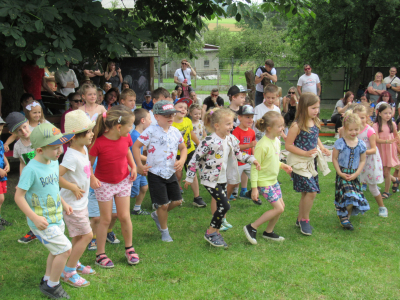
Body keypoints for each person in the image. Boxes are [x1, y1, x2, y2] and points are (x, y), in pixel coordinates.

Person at [14, 123, 74, 299]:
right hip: (41, 221)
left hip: (56, 217)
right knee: (65, 249)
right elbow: (18, 196)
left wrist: (63, 202)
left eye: (60, 147)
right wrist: (34, 217)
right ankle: (52, 286)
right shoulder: (31, 169)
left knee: (56, 250)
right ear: (39, 150)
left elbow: (54, 186)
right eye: (55, 148)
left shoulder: (52, 162)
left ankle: (47, 278)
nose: (60, 151)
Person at [184, 108, 260, 247]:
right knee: (225, 205)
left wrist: (251, 159)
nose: (231, 127)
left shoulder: (231, 139)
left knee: (222, 206)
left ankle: (215, 232)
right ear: (217, 125)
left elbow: (239, 154)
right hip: (210, 179)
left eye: (232, 123)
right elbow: (194, 159)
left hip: (223, 178)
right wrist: (189, 177)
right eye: (228, 124)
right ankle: (211, 232)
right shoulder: (208, 141)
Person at [89, 105, 139, 268]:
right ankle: (100, 254)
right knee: (106, 219)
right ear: (118, 127)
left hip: (123, 181)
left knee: (124, 216)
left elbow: (127, 152)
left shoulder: (126, 137)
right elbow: (87, 164)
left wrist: (133, 166)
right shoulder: (98, 143)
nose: (131, 129)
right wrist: (92, 178)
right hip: (104, 185)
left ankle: (129, 248)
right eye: (130, 125)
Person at [132, 100, 186, 242]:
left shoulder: (175, 132)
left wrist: (182, 161)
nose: (170, 117)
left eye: (172, 115)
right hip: (155, 173)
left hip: (170, 171)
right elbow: (136, 147)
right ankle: (164, 231)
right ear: (156, 116)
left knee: (177, 201)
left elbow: (183, 148)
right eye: (166, 115)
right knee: (163, 205)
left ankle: (157, 214)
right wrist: (139, 165)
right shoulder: (151, 131)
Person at [59, 110, 96, 287]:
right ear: (74, 136)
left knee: (77, 236)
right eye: (88, 132)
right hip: (72, 205)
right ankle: (68, 271)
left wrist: (93, 178)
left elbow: (86, 168)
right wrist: (72, 187)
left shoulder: (83, 149)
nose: (92, 134)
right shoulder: (70, 156)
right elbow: (55, 177)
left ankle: (75, 261)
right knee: (88, 235)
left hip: (81, 202)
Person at [285, 92, 331, 236]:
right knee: (311, 192)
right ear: (304, 108)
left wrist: (322, 147)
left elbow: (316, 137)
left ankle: (300, 219)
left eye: (317, 107)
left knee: (306, 192)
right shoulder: (296, 125)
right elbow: (288, 145)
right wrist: (304, 153)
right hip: (300, 164)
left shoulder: (315, 121)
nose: (316, 111)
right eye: (313, 108)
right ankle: (305, 219)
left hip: (311, 163)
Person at [243, 111, 292, 244]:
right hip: (264, 182)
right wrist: (254, 188)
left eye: (283, 126)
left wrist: (283, 166)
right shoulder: (262, 145)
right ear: (269, 128)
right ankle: (252, 227)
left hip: (273, 181)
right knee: (279, 208)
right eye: (279, 126)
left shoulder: (276, 141)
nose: (282, 129)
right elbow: (255, 166)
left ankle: (268, 232)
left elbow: (272, 160)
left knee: (281, 206)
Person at [332, 113, 369, 230]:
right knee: (347, 195)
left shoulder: (361, 144)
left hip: (354, 174)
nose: (353, 132)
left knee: (353, 197)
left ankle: (346, 217)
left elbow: (363, 160)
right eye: (350, 130)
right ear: (345, 129)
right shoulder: (340, 143)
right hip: (343, 174)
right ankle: (344, 217)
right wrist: (340, 172)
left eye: (356, 129)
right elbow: (334, 158)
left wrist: (357, 174)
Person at [353, 105, 388, 217]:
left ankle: (382, 207)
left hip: (370, 162)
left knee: (372, 187)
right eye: (358, 118)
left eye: (363, 117)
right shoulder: (354, 130)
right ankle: (356, 207)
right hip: (358, 161)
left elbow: (373, 149)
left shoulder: (370, 131)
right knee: (356, 185)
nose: (360, 120)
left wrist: (362, 152)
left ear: (367, 117)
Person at [172, 98, 205, 207]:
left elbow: (191, 133)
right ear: (173, 108)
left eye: (185, 108)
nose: (183, 110)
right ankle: (177, 197)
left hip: (190, 150)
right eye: (180, 107)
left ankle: (197, 197)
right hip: (176, 153)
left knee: (192, 173)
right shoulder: (170, 123)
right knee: (178, 175)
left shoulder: (188, 121)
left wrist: (199, 143)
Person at [87, 158, 121, 251]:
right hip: (93, 191)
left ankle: (108, 232)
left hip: (108, 189)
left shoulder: (109, 151)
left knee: (114, 215)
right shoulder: (91, 153)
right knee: (96, 218)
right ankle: (92, 237)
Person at [373, 103, 400, 199]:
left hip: (389, 150)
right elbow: (376, 139)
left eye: (390, 113)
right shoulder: (376, 125)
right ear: (379, 113)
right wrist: (387, 141)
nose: (388, 115)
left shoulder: (392, 124)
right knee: (382, 172)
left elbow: (396, 136)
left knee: (387, 172)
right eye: (385, 113)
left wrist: (397, 145)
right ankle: (395, 179)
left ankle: (386, 192)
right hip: (381, 150)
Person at [231, 105, 257, 200]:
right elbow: (235, 148)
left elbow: (252, 146)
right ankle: (230, 192)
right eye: (247, 117)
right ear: (239, 118)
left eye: (252, 117)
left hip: (248, 159)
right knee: (235, 179)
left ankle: (244, 191)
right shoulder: (236, 132)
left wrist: (253, 156)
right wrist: (249, 145)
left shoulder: (252, 132)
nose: (250, 120)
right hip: (237, 161)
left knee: (249, 176)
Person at [130, 108, 152, 215]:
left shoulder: (141, 135)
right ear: (143, 121)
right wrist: (151, 159)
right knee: (132, 192)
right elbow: (136, 154)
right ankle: (116, 208)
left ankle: (136, 209)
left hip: (140, 167)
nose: (151, 121)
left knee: (144, 187)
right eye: (149, 119)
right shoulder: (135, 136)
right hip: (133, 168)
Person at [0, 117, 9, 231]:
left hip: (2, 175)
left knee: (1, 199)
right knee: (0, 198)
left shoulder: (0, 142)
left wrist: (7, 164)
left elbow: (2, 155)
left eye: (1, 129)